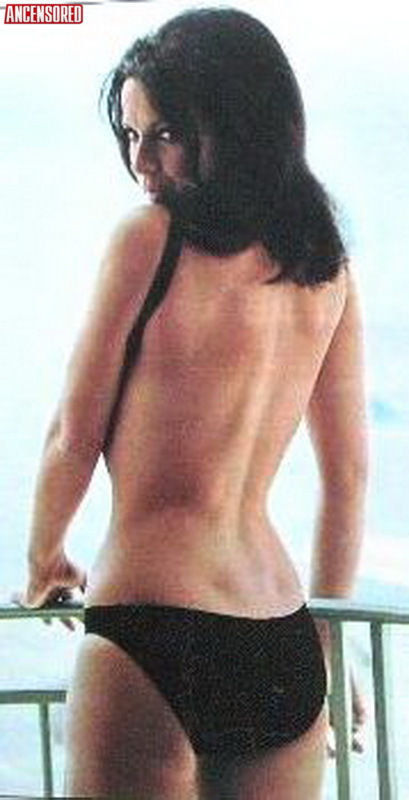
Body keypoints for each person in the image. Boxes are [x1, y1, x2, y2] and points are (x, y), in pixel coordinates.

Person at [19, 8, 367, 799]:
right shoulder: (326, 266)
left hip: (154, 626)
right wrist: (323, 642)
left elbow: (72, 435)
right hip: (280, 640)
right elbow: (347, 478)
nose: (140, 162)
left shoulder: (149, 238)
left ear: (231, 127)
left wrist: (43, 562)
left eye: (166, 134)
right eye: (130, 135)